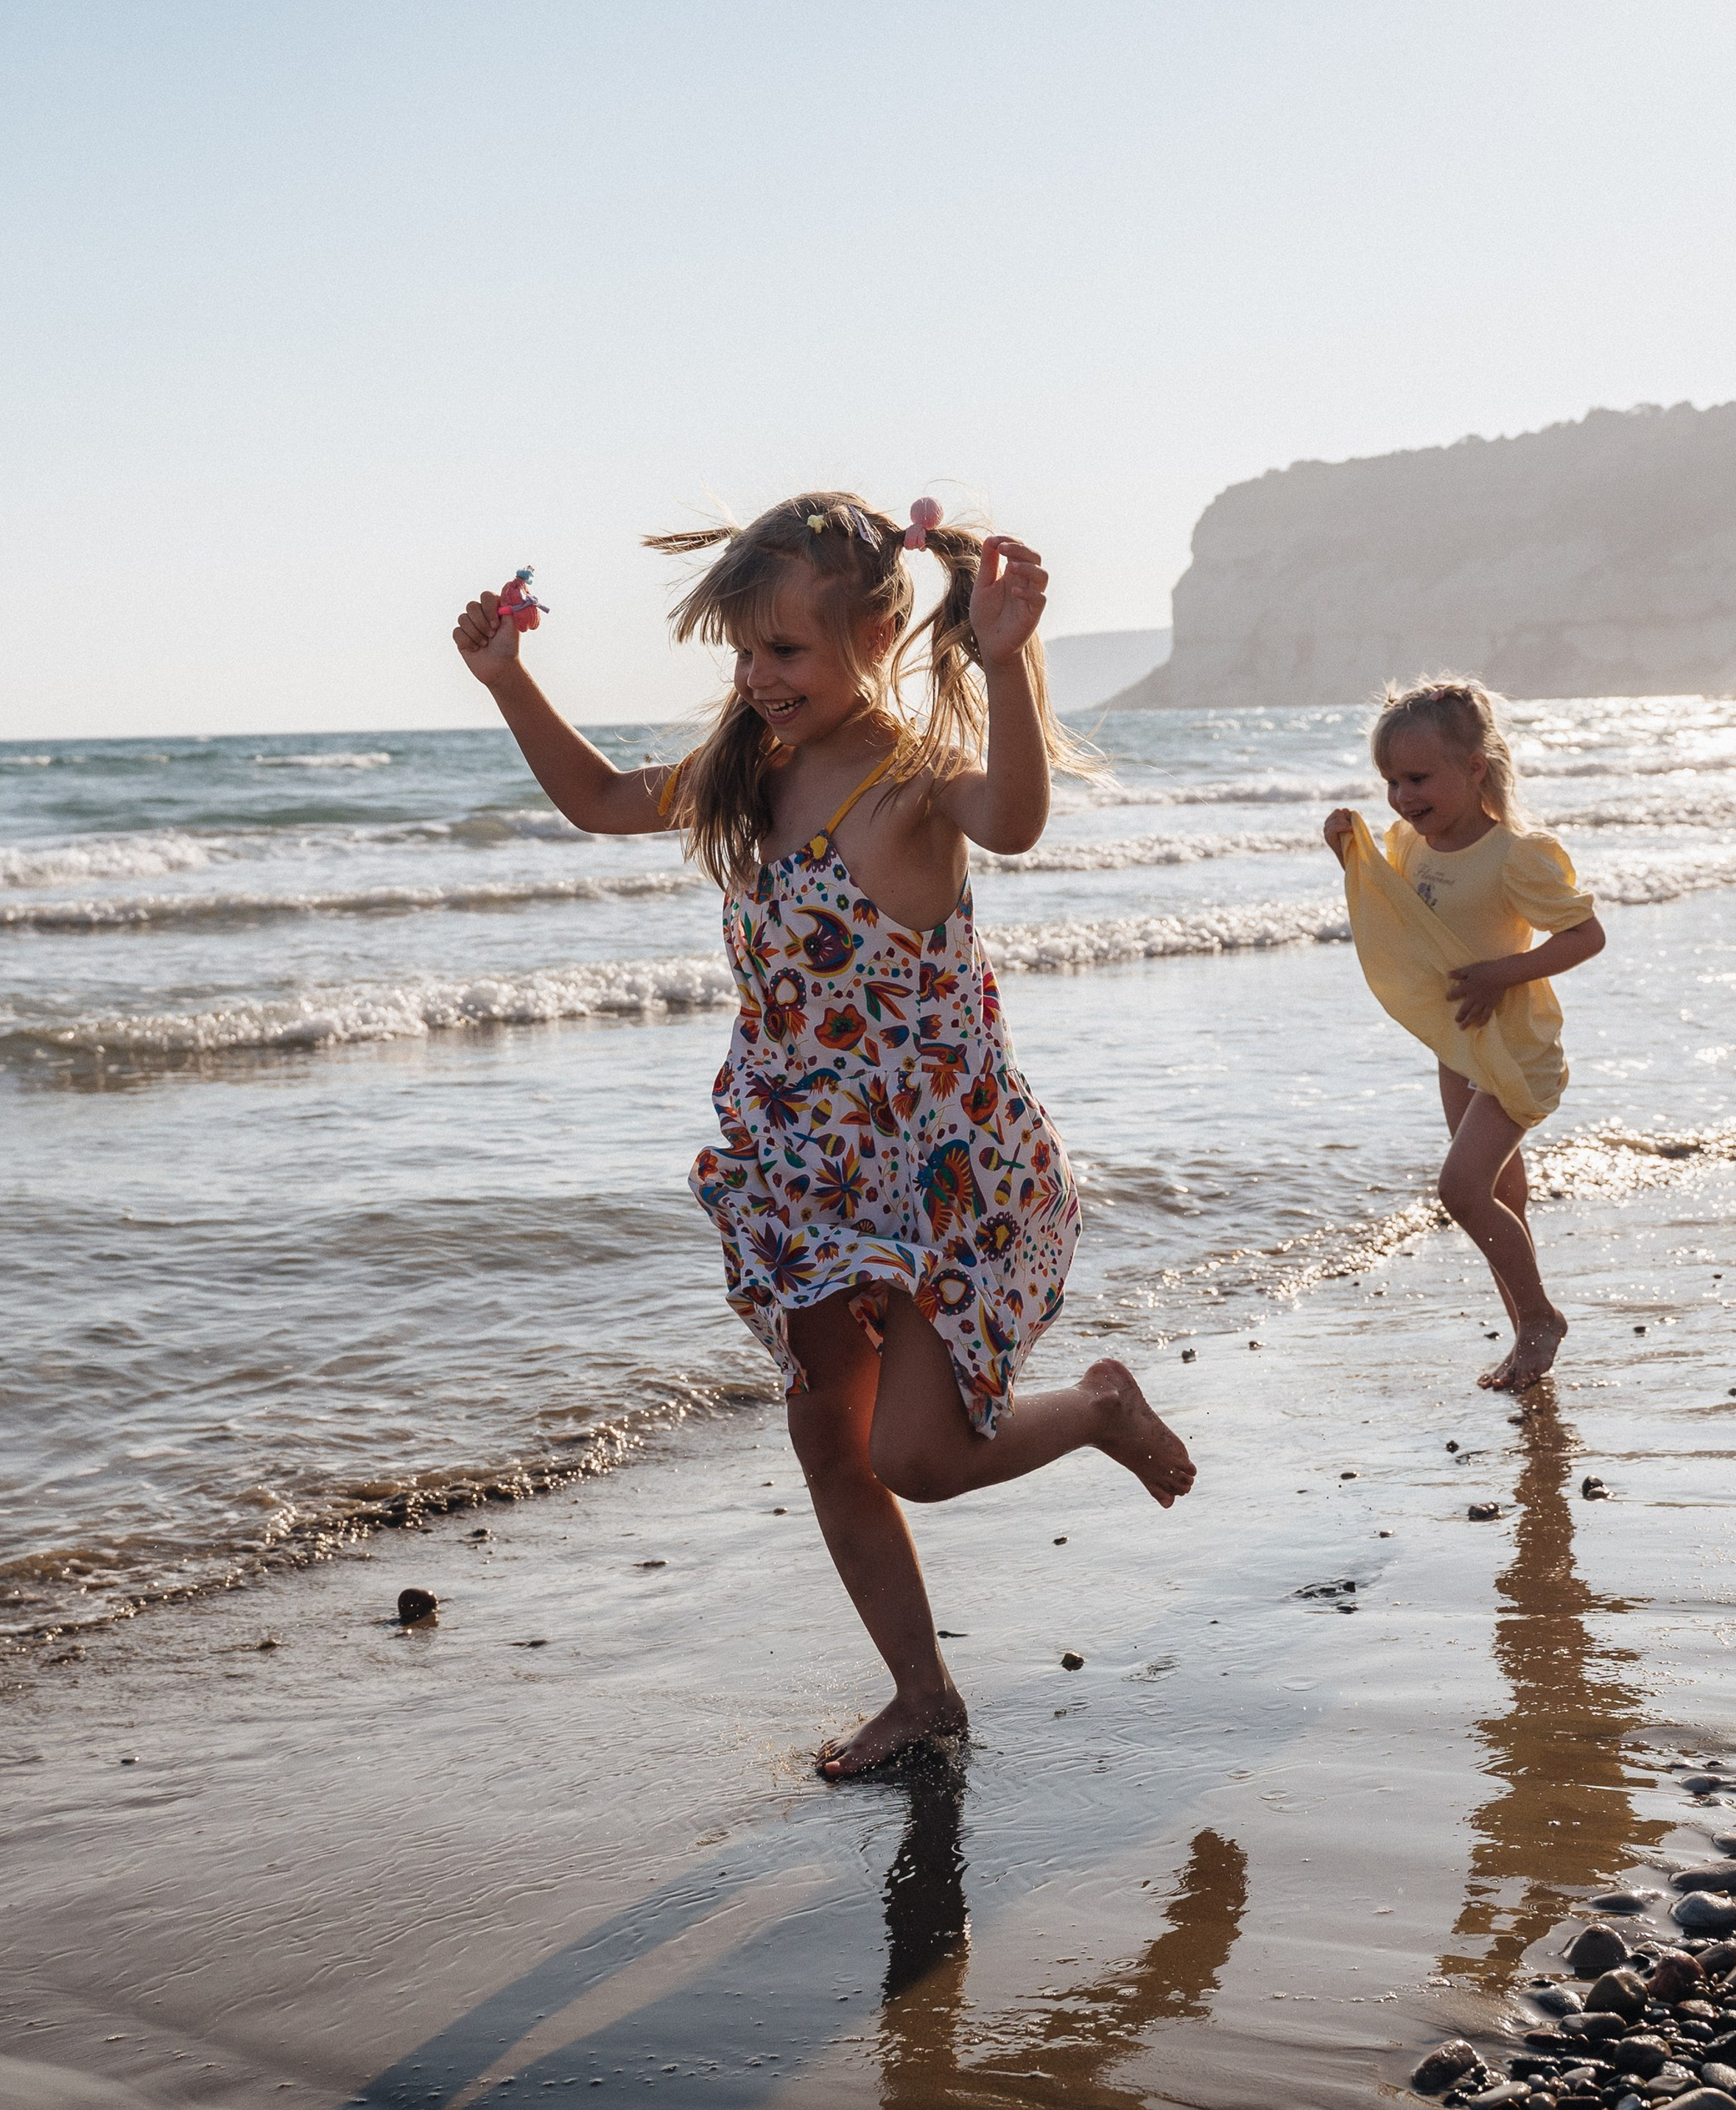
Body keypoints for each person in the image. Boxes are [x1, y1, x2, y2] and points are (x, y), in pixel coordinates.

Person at [454, 491, 1197, 1776]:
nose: (758, 677)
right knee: (825, 1438)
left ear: (875, 638)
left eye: (785, 652)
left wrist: (1012, 662)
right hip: (801, 1161)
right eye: (744, 653)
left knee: (915, 1455)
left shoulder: (909, 785)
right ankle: (922, 1695)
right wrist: (506, 676)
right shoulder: (746, 775)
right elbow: (591, 798)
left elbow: (1016, 818)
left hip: (940, 1163)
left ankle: (1092, 1410)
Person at [1324, 679, 1606, 1394]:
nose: (1400, 795)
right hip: (1459, 1047)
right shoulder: (1414, 848)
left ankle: (1540, 1318)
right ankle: (1525, 1335)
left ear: (1474, 767)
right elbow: (1403, 920)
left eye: (1417, 777)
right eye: (1390, 780)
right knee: (1499, 1193)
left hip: (1515, 1049)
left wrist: (1502, 973)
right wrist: (1348, 860)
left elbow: (1584, 935)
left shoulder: (1514, 854)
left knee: (1461, 1187)